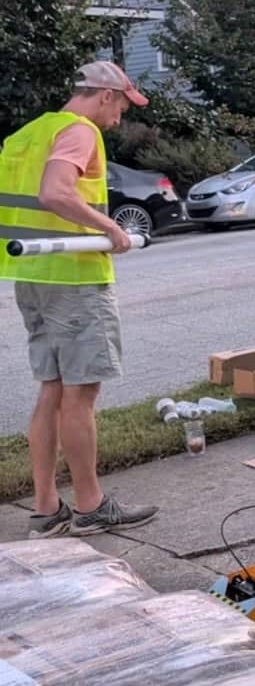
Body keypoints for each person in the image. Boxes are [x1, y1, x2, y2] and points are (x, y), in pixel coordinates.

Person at [0, 61, 159, 538]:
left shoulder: (28, 133)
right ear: (106, 95)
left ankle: (47, 510)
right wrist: (111, 228)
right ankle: (91, 506)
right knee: (81, 393)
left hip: (32, 274)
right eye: (124, 106)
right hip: (73, 279)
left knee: (52, 389)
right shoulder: (79, 131)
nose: (121, 118)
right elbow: (55, 192)